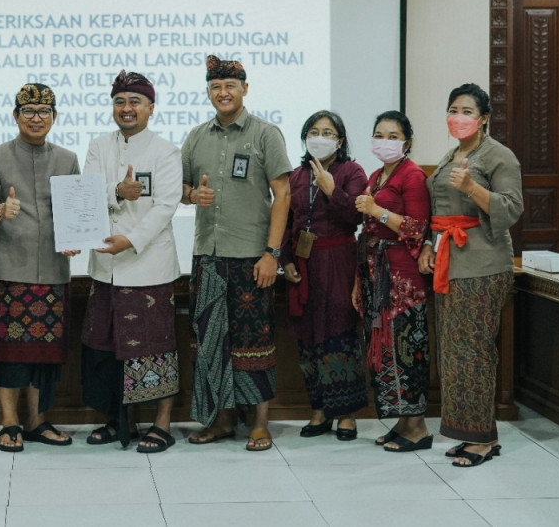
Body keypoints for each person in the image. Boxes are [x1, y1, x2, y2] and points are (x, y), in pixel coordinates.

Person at [181, 55, 291, 451]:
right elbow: (180, 188)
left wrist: (272, 253)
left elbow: (283, 194)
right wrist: (193, 195)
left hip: (252, 257)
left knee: (254, 341)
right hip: (207, 256)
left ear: (245, 88)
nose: (222, 93)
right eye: (215, 87)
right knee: (210, 342)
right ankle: (221, 421)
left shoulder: (265, 134)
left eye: (230, 86)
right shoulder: (196, 136)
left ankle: (259, 422)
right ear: (208, 92)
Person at [419, 83, 523, 467]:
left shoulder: (499, 156)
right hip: (450, 260)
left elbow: (512, 210)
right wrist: (430, 244)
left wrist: (473, 188)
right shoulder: (452, 155)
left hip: (482, 263)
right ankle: (465, 433)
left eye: (466, 110)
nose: (457, 116)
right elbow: (440, 211)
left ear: (483, 118)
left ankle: (484, 439)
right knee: (453, 351)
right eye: (453, 109)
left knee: (475, 349)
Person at [82, 71, 182, 452]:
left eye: (135, 102)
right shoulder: (99, 146)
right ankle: (116, 420)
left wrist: (131, 239)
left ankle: (161, 423)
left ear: (150, 108)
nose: (127, 108)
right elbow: (89, 193)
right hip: (105, 268)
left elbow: (167, 206)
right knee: (107, 347)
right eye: (120, 101)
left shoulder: (165, 151)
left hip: (148, 265)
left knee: (156, 346)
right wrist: (117, 191)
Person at [0, 83, 80, 452]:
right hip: (11, 267)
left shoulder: (67, 158)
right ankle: (9, 422)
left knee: (45, 353)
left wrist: (76, 238)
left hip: (53, 268)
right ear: (15, 115)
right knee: (9, 351)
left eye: (44, 112)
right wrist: (1, 211)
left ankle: (37, 421)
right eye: (29, 111)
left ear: (54, 117)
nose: (36, 118)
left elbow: (74, 212)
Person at [281, 110, 367, 442]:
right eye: (314, 131)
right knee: (308, 340)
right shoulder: (296, 176)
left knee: (339, 337)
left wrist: (333, 191)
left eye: (328, 132)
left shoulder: (352, 171)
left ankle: (346, 414)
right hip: (304, 264)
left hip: (338, 262)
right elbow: (289, 221)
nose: (320, 137)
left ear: (340, 140)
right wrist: (286, 259)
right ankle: (318, 408)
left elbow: (356, 217)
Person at [353, 111, 433, 451]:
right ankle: (403, 423)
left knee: (407, 348)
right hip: (376, 275)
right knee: (387, 350)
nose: (384, 141)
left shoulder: (412, 176)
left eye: (392, 135)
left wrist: (377, 211)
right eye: (378, 134)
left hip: (404, 280)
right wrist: (359, 281)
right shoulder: (376, 175)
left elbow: (417, 227)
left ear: (407, 142)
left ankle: (418, 428)